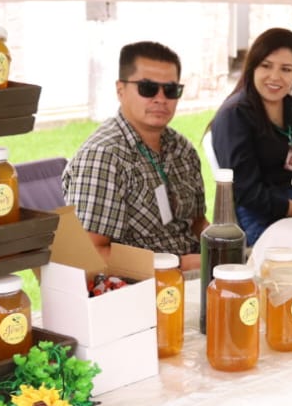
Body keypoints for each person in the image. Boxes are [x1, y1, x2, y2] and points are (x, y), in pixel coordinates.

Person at [63, 40, 208, 269]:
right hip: (138, 283)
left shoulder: (182, 149)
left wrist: (224, 249)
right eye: (147, 88)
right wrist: (178, 265)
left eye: (171, 90)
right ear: (120, 90)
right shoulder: (104, 157)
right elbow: (90, 254)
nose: (161, 98)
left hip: (196, 272)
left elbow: (198, 223)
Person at [209, 27, 292, 246]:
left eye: (286, 69)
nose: (275, 77)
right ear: (252, 67)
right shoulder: (234, 115)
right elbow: (247, 192)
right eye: (266, 66)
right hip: (263, 217)